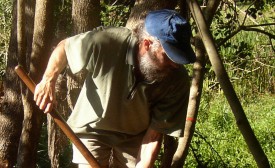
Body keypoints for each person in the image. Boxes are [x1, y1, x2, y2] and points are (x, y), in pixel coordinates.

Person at [34, 9, 196, 168]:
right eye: (168, 56)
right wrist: (48, 80)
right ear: (147, 44)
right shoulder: (108, 41)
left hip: (135, 136)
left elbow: (153, 135)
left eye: (179, 57)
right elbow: (65, 47)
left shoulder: (176, 79)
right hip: (93, 129)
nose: (175, 64)